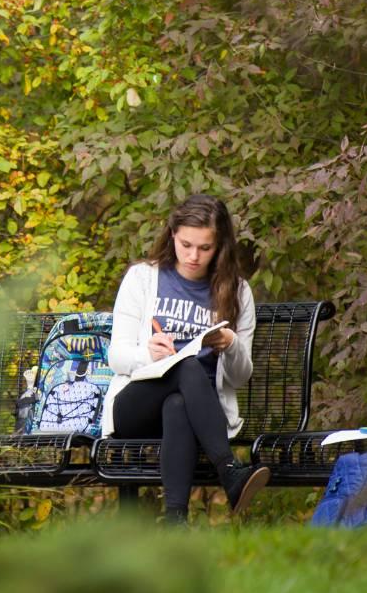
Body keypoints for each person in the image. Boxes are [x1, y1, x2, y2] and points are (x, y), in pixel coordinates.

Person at [102, 194, 269, 521]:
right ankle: (230, 470)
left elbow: (239, 377)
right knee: (186, 365)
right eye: (186, 245)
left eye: (205, 248)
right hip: (136, 405)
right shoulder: (142, 279)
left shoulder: (237, 292)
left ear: (219, 246)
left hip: (197, 413)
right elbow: (117, 356)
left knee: (178, 403)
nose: (194, 256)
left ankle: (175, 520)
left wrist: (232, 344)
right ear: (172, 235)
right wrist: (147, 354)